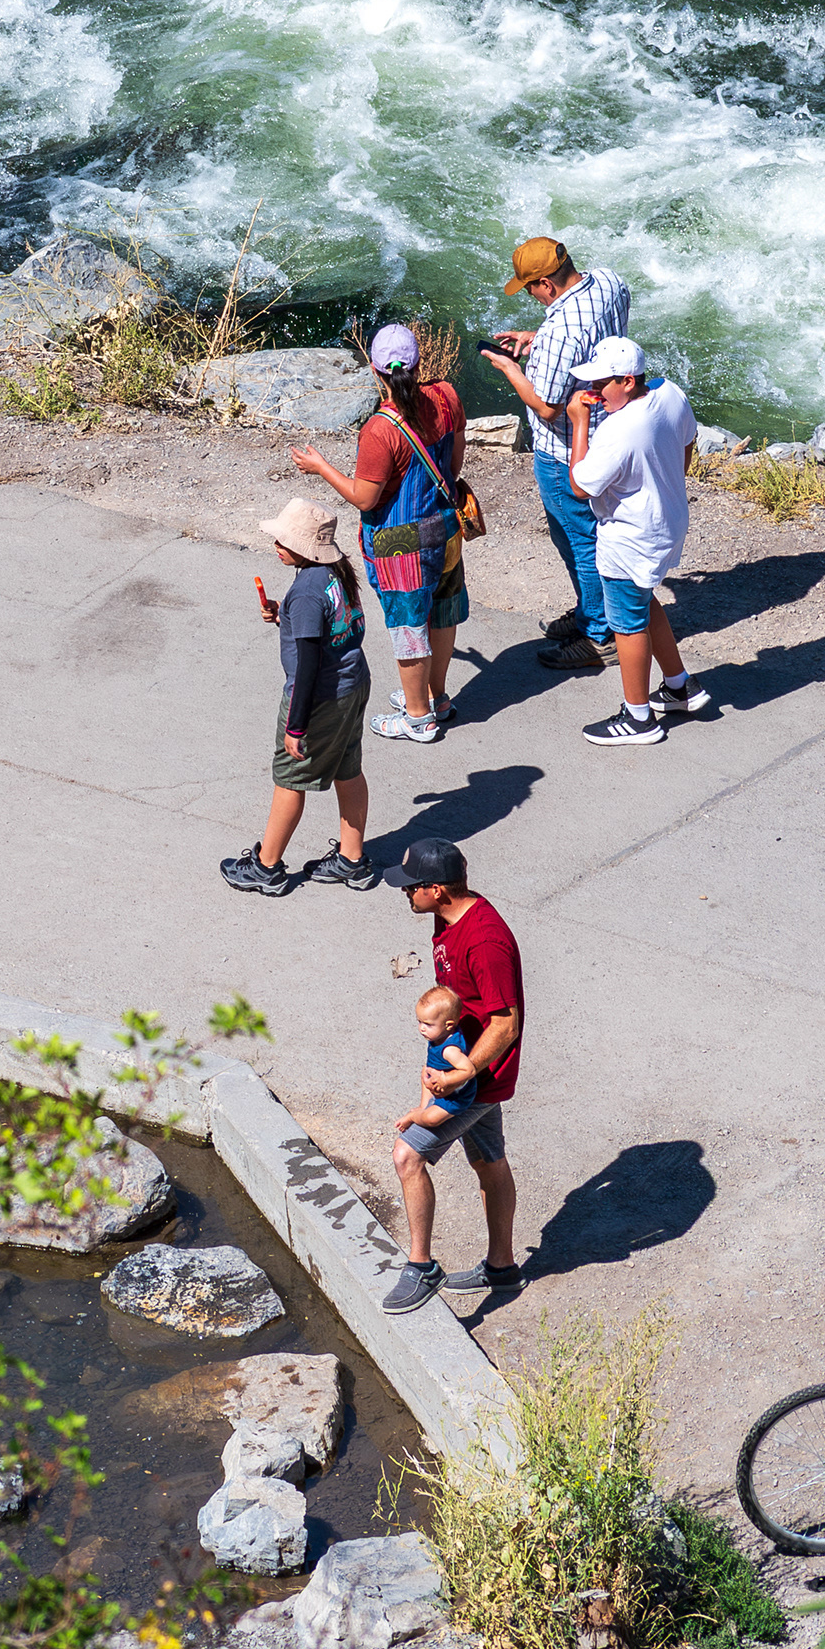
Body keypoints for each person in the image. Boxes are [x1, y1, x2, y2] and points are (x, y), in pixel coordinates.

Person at [294, 321, 472, 745]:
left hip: (401, 547)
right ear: (420, 362)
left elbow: (364, 498)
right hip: (445, 532)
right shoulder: (446, 396)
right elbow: (456, 460)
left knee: (408, 627)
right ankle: (437, 696)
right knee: (442, 613)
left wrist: (321, 467)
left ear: (375, 371)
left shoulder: (379, 430)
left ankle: (417, 718)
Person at [478, 236, 631, 675]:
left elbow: (545, 405)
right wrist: (537, 339)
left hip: (565, 447)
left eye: (529, 287)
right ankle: (590, 612)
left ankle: (598, 635)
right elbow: (592, 336)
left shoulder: (563, 327)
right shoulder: (608, 282)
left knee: (578, 538)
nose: (528, 294)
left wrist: (511, 367)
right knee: (586, 532)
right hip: (607, 430)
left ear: (545, 283)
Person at [388, 839, 522, 1312]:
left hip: (476, 1080)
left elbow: (505, 1024)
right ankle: (502, 1267)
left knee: (407, 1156)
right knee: (488, 1163)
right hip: (463, 1072)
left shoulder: (484, 941)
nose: (404, 893)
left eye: (411, 887)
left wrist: (458, 1077)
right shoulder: (447, 920)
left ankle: (421, 1265)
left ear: (438, 889)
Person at [223, 496, 377, 897]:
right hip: (352, 683)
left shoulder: (306, 593)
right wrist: (285, 617)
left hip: (318, 698)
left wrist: (296, 724)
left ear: (304, 549)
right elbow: (332, 628)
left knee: (290, 779)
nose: (276, 545)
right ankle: (352, 859)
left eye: (283, 541)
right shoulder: (335, 574)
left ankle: (267, 867)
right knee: (347, 768)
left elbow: (308, 663)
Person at [562, 335, 704, 746]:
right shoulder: (669, 393)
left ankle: (638, 717)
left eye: (601, 385)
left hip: (630, 535)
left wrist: (579, 422)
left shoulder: (620, 430)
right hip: (666, 521)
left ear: (627, 381)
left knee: (626, 624)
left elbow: (579, 485)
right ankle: (679, 687)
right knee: (643, 598)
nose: (592, 393)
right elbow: (688, 441)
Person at [394, 987, 489, 1152]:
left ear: (448, 1025)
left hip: (456, 1096)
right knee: (426, 1071)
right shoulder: (439, 1034)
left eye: (428, 1024)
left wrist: (446, 1079)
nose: (422, 1028)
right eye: (420, 1022)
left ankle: (414, 1117)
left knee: (432, 1119)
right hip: (437, 1076)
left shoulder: (450, 1050)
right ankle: (424, 1105)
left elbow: (469, 1071)